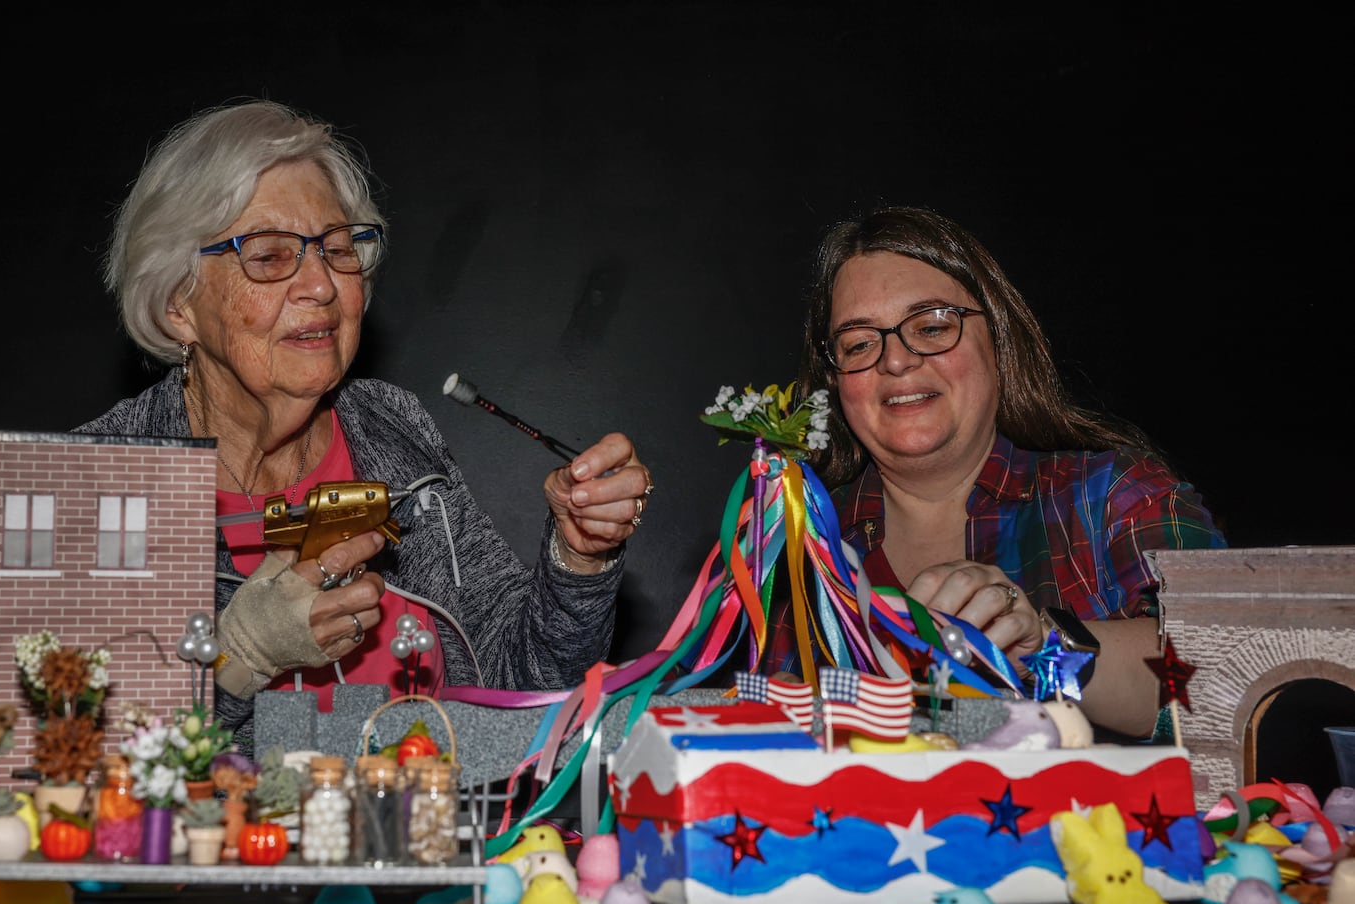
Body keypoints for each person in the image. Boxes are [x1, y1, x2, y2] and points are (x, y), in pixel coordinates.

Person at [75, 99, 653, 749]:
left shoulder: (392, 426)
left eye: (338, 248)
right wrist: (237, 659)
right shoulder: (99, 481)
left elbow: (524, 683)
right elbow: (83, 752)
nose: (321, 284)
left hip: (428, 829)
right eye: (268, 257)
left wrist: (577, 558)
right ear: (180, 304)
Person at [779, 205, 1224, 739]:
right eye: (859, 342)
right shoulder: (799, 545)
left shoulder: (1117, 497)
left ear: (999, 341)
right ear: (833, 378)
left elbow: (1228, 680)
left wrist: (1040, 646)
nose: (895, 360)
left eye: (931, 325)